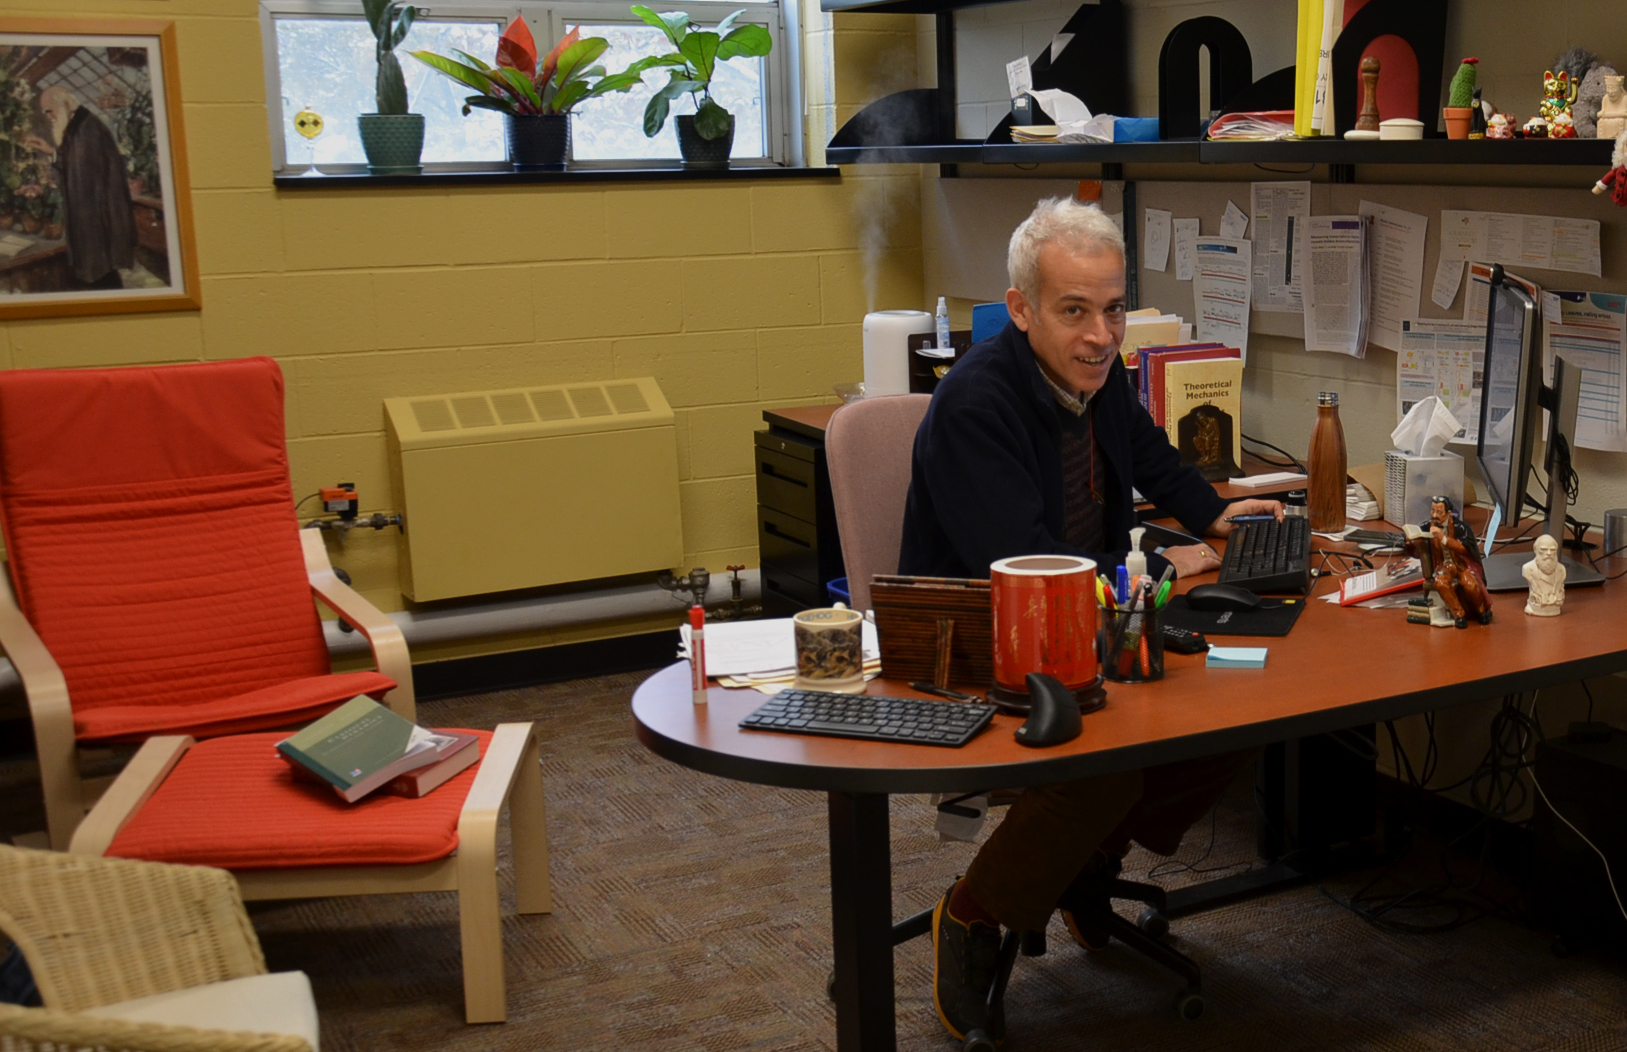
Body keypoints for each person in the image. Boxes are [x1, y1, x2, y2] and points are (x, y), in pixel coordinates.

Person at [898, 196, 1279, 1043]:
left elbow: (1156, 461)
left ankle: (1080, 867)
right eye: (1075, 310)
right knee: (1107, 763)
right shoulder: (975, 404)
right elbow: (1029, 565)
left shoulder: (1095, 382)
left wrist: (1223, 525)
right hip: (977, 647)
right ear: (1023, 307)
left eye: (1112, 310)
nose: (1101, 335)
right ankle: (970, 913)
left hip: (1087, 632)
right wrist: (1163, 564)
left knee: (1240, 709)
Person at [28, 86, 136, 290]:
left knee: (99, 275)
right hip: (91, 216)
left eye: (49, 111)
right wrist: (50, 151)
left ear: (64, 105)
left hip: (96, 218)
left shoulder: (87, 130)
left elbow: (81, 179)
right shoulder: (78, 126)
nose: (48, 117)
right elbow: (73, 166)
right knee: (97, 272)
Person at [1522, 533, 1566, 616]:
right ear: (1535, 550)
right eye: (1544, 549)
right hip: (1536, 608)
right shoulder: (1528, 569)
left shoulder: (1561, 570)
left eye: (1552, 550)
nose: (1549, 553)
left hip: (1555, 610)